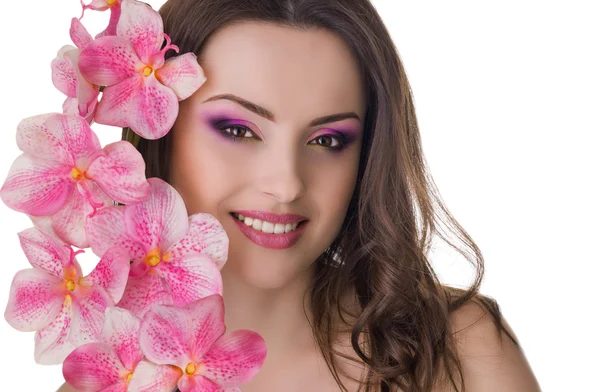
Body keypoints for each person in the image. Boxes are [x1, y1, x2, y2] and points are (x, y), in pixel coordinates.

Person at [60, 0, 541, 390]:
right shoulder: (104, 383)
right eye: (239, 130)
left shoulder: (460, 351)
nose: (286, 184)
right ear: (157, 127)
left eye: (327, 141)